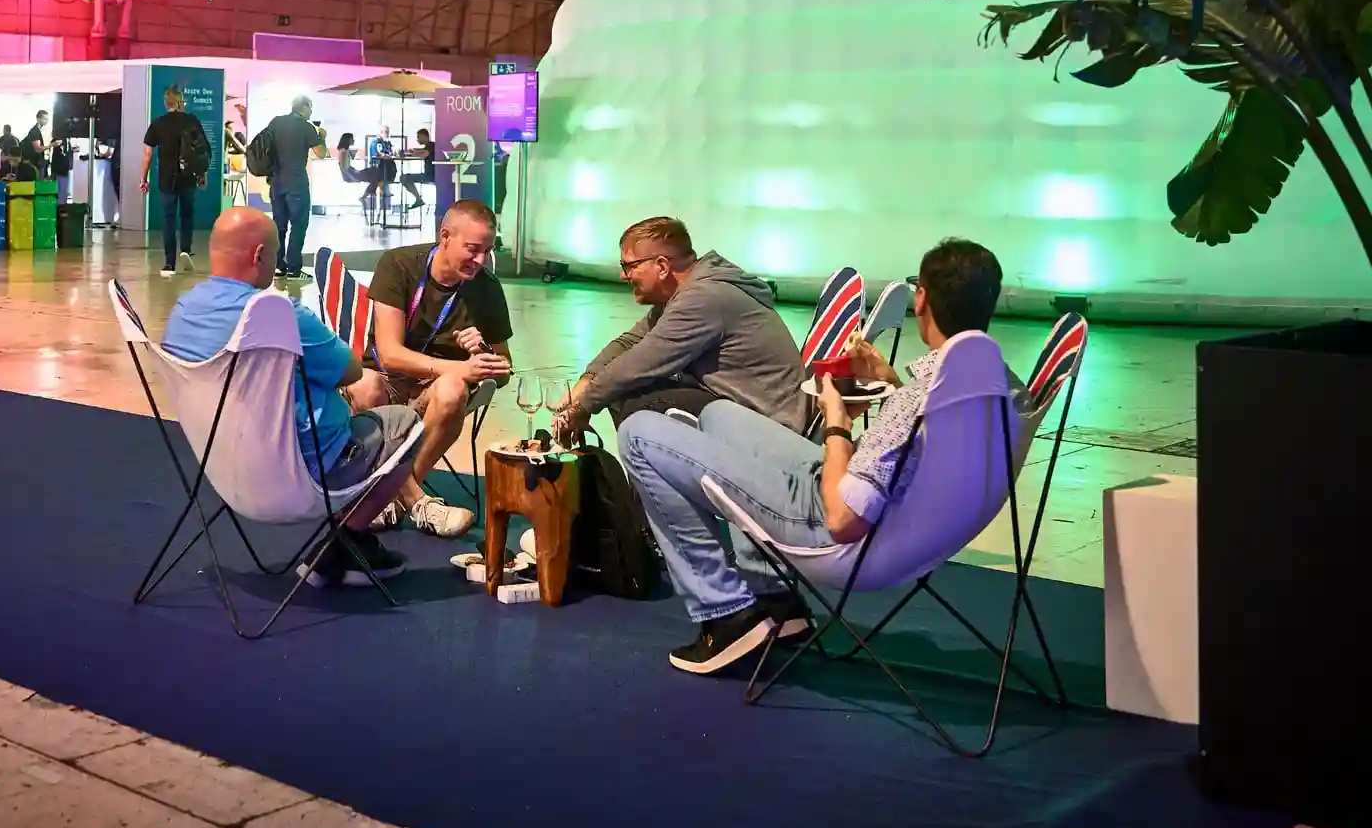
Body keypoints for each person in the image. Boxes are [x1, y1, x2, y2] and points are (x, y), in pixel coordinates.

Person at [595, 238, 1031, 676]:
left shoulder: (914, 402)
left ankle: (724, 612)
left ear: (922, 300)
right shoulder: (990, 385)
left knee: (638, 433)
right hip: (888, 515)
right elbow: (924, 445)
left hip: (831, 528)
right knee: (720, 414)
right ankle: (774, 595)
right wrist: (886, 383)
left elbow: (843, 519)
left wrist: (838, 422)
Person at [162, 207, 412, 587]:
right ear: (260, 255)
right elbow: (352, 371)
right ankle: (348, 540)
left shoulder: (182, 312)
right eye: (276, 255)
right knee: (406, 423)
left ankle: (342, 550)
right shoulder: (278, 314)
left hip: (223, 472)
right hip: (304, 476)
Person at [554, 217, 808, 437]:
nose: (623, 275)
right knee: (616, 387)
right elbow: (629, 343)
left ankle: (654, 490)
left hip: (772, 425)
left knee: (632, 399)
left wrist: (582, 407)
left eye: (629, 266)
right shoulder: (688, 291)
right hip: (742, 409)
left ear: (662, 267)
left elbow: (640, 364)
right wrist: (585, 383)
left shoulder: (703, 298)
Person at [357, 200, 513, 538]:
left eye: (487, 250)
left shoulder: (487, 288)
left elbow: (505, 370)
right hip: (389, 379)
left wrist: (483, 354)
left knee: (454, 388)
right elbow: (390, 353)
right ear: (445, 236)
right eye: (472, 249)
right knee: (364, 385)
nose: (480, 261)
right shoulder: (399, 264)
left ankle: (390, 498)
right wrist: (458, 367)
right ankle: (416, 500)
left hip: (438, 391)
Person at [139, 85, 210, 278]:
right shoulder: (191, 121)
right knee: (187, 214)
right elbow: (201, 150)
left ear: (165, 103)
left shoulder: (158, 123)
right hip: (188, 176)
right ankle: (185, 250)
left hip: (166, 177)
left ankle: (169, 264)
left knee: (168, 219)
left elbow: (147, 154)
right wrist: (202, 174)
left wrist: (143, 179)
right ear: (180, 102)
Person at [260, 95, 326, 280]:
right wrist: (322, 137)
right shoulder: (307, 127)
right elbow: (321, 153)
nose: (311, 112)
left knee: (279, 225)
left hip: (276, 181)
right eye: (310, 108)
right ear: (303, 107)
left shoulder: (276, 122)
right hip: (296, 182)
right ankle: (294, 269)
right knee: (298, 224)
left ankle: (279, 266)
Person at [23, 110, 53, 178]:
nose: (47, 121)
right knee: (38, 184)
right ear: (38, 119)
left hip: (40, 162)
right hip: (35, 163)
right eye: (45, 118)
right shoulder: (35, 131)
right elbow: (38, 149)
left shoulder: (40, 131)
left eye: (47, 119)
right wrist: (51, 145)